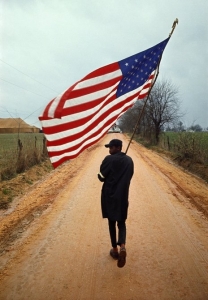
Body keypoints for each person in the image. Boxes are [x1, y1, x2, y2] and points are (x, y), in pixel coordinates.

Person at [98, 139, 134, 268]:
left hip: (109, 196)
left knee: (112, 222)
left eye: (111, 147)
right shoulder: (129, 161)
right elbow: (129, 177)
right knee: (122, 222)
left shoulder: (109, 159)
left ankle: (115, 250)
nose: (109, 150)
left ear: (118, 147)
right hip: (123, 196)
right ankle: (122, 246)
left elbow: (101, 177)